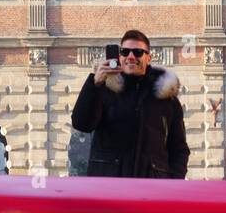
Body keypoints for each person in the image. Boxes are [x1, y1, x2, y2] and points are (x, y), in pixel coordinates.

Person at [71, 30, 189, 179]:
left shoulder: (167, 99)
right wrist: (94, 84)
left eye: (138, 52)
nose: (131, 57)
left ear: (148, 58)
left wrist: (172, 182)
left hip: (152, 187)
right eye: (125, 52)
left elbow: (179, 149)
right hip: (108, 185)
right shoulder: (104, 90)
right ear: (119, 56)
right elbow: (81, 123)